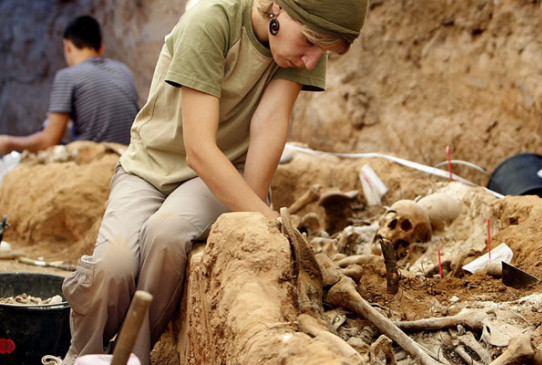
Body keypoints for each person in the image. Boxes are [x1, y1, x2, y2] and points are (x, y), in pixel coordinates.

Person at [41, 0, 369, 364]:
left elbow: (271, 120)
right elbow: (198, 149)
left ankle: (132, 357)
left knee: (166, 236)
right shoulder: (213, 19)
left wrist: (256, 217)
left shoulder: (306, 37)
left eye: (322, 52)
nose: (311, 61)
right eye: (309, 44)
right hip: (152, 165)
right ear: (278, 7)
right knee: (111, 268)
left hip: (228, 170)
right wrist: (271, 219)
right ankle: (79, 357)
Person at [0, 15, 139, 155]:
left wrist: (8, 143)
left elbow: (48, 141)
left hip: (94, 159)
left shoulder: (68, 76)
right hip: (127, 155)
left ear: (67, 46)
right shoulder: (124, 71)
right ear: (101, 47)